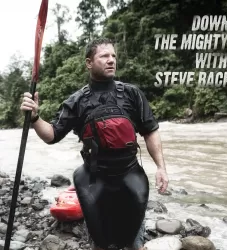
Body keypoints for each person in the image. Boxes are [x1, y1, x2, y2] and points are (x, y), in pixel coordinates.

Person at [20, 38, 169, 250]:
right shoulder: (77, 101)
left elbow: (150, 131)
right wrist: (35, 117)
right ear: (89, 63)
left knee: (132, 243)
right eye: (104, 56)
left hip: (129, 174)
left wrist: (161, 168)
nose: (111, 60)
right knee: (101, 244)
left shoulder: (131, 94)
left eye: (114, 56)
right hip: (94, 179)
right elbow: (52, 135)